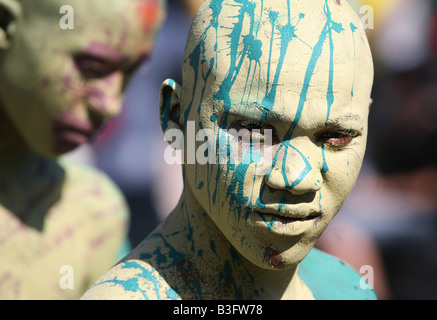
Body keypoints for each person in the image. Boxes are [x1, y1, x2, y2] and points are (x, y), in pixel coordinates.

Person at [81, 0, 376, 300]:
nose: (296, 178)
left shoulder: (348, 288)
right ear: (176, 118)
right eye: (253, 132)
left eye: (337, 136)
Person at [0, 0, 165, 299]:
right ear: (3, 24)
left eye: (130, 73)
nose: (111, 105)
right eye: (92, 68)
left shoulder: (94, 216)